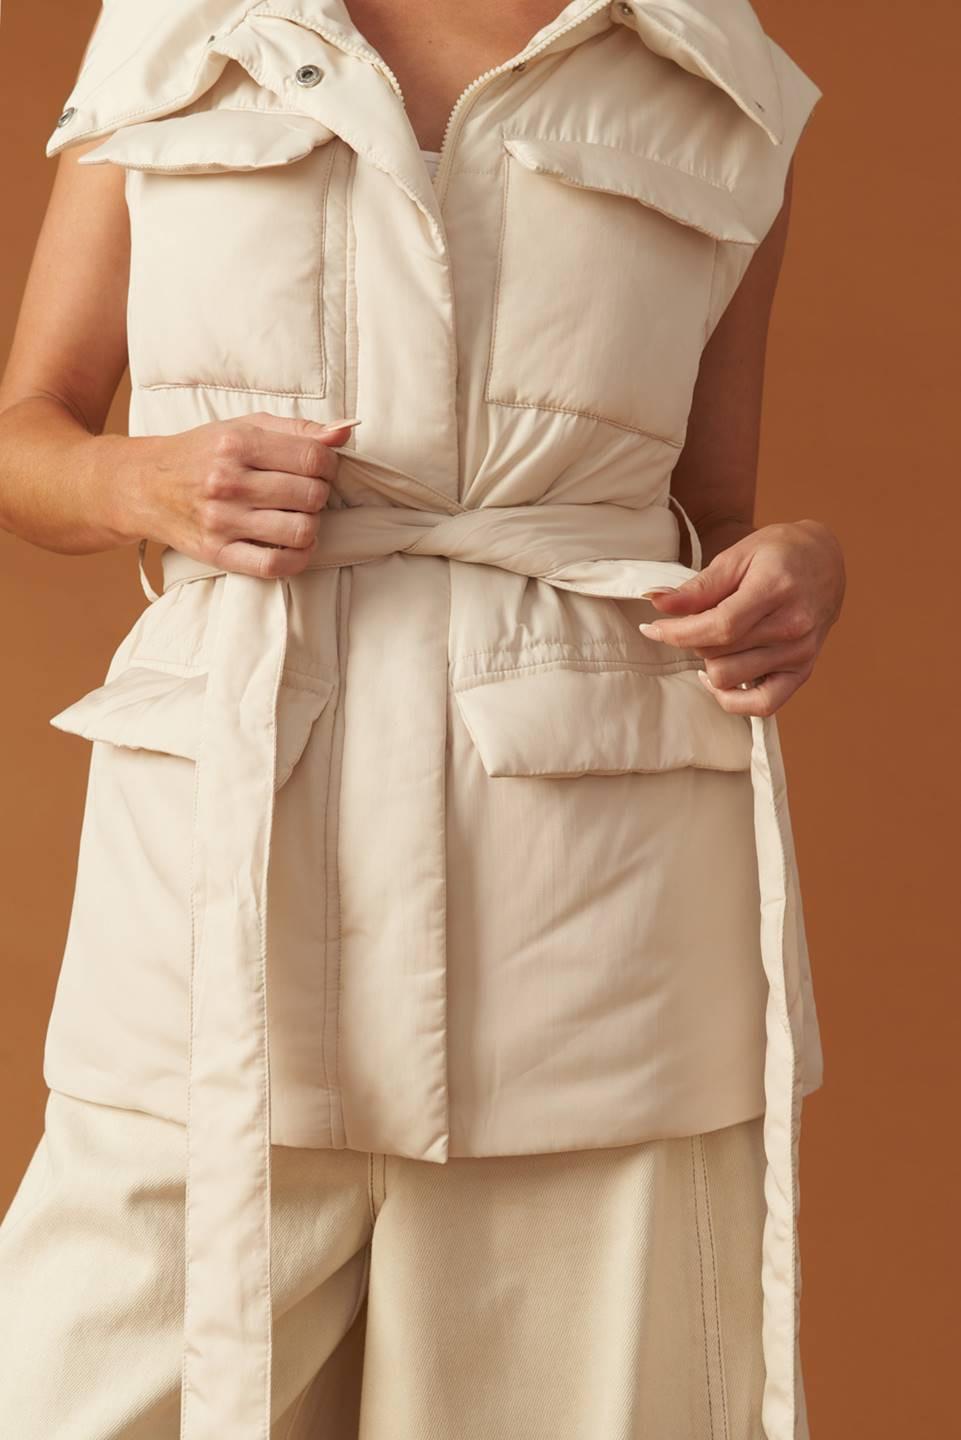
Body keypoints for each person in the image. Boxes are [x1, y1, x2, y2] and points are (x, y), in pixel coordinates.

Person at [0, 2, 845, 1437]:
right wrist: (138, 482)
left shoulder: (718, 80)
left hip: (591, 929)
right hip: (222, 889)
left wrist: (797, 567)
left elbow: (707, 511)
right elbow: (32, 427)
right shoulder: (179, 27)